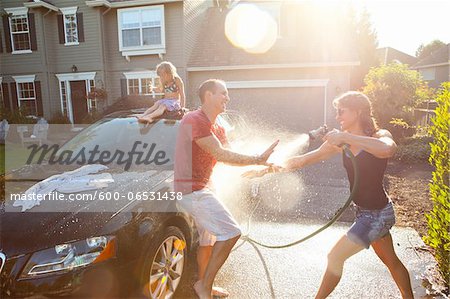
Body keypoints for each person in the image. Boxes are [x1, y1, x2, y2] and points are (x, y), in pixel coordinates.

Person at [244, 91, 414, 299]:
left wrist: (345, 136)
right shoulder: (340, 143)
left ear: (357, 111)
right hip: (366, 213)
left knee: (335, 257)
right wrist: (265, 170)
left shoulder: (379, 136)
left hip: (377, 215)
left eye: (341, 111)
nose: (337, 116)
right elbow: (303, 160)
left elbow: (388, 150)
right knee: (391, 261)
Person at [174, 79, 278, 299]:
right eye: (223, 93)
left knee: (208, 240)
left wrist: (260, 167)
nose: (227, 98)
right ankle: (204, 286)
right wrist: (257, 159)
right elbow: (220, 154)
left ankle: (205, 284)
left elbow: (229, 157)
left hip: (204, 186)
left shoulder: (218, 126)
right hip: (191, 190)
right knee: (231, 232)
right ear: (208, 95)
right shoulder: (194, 119)